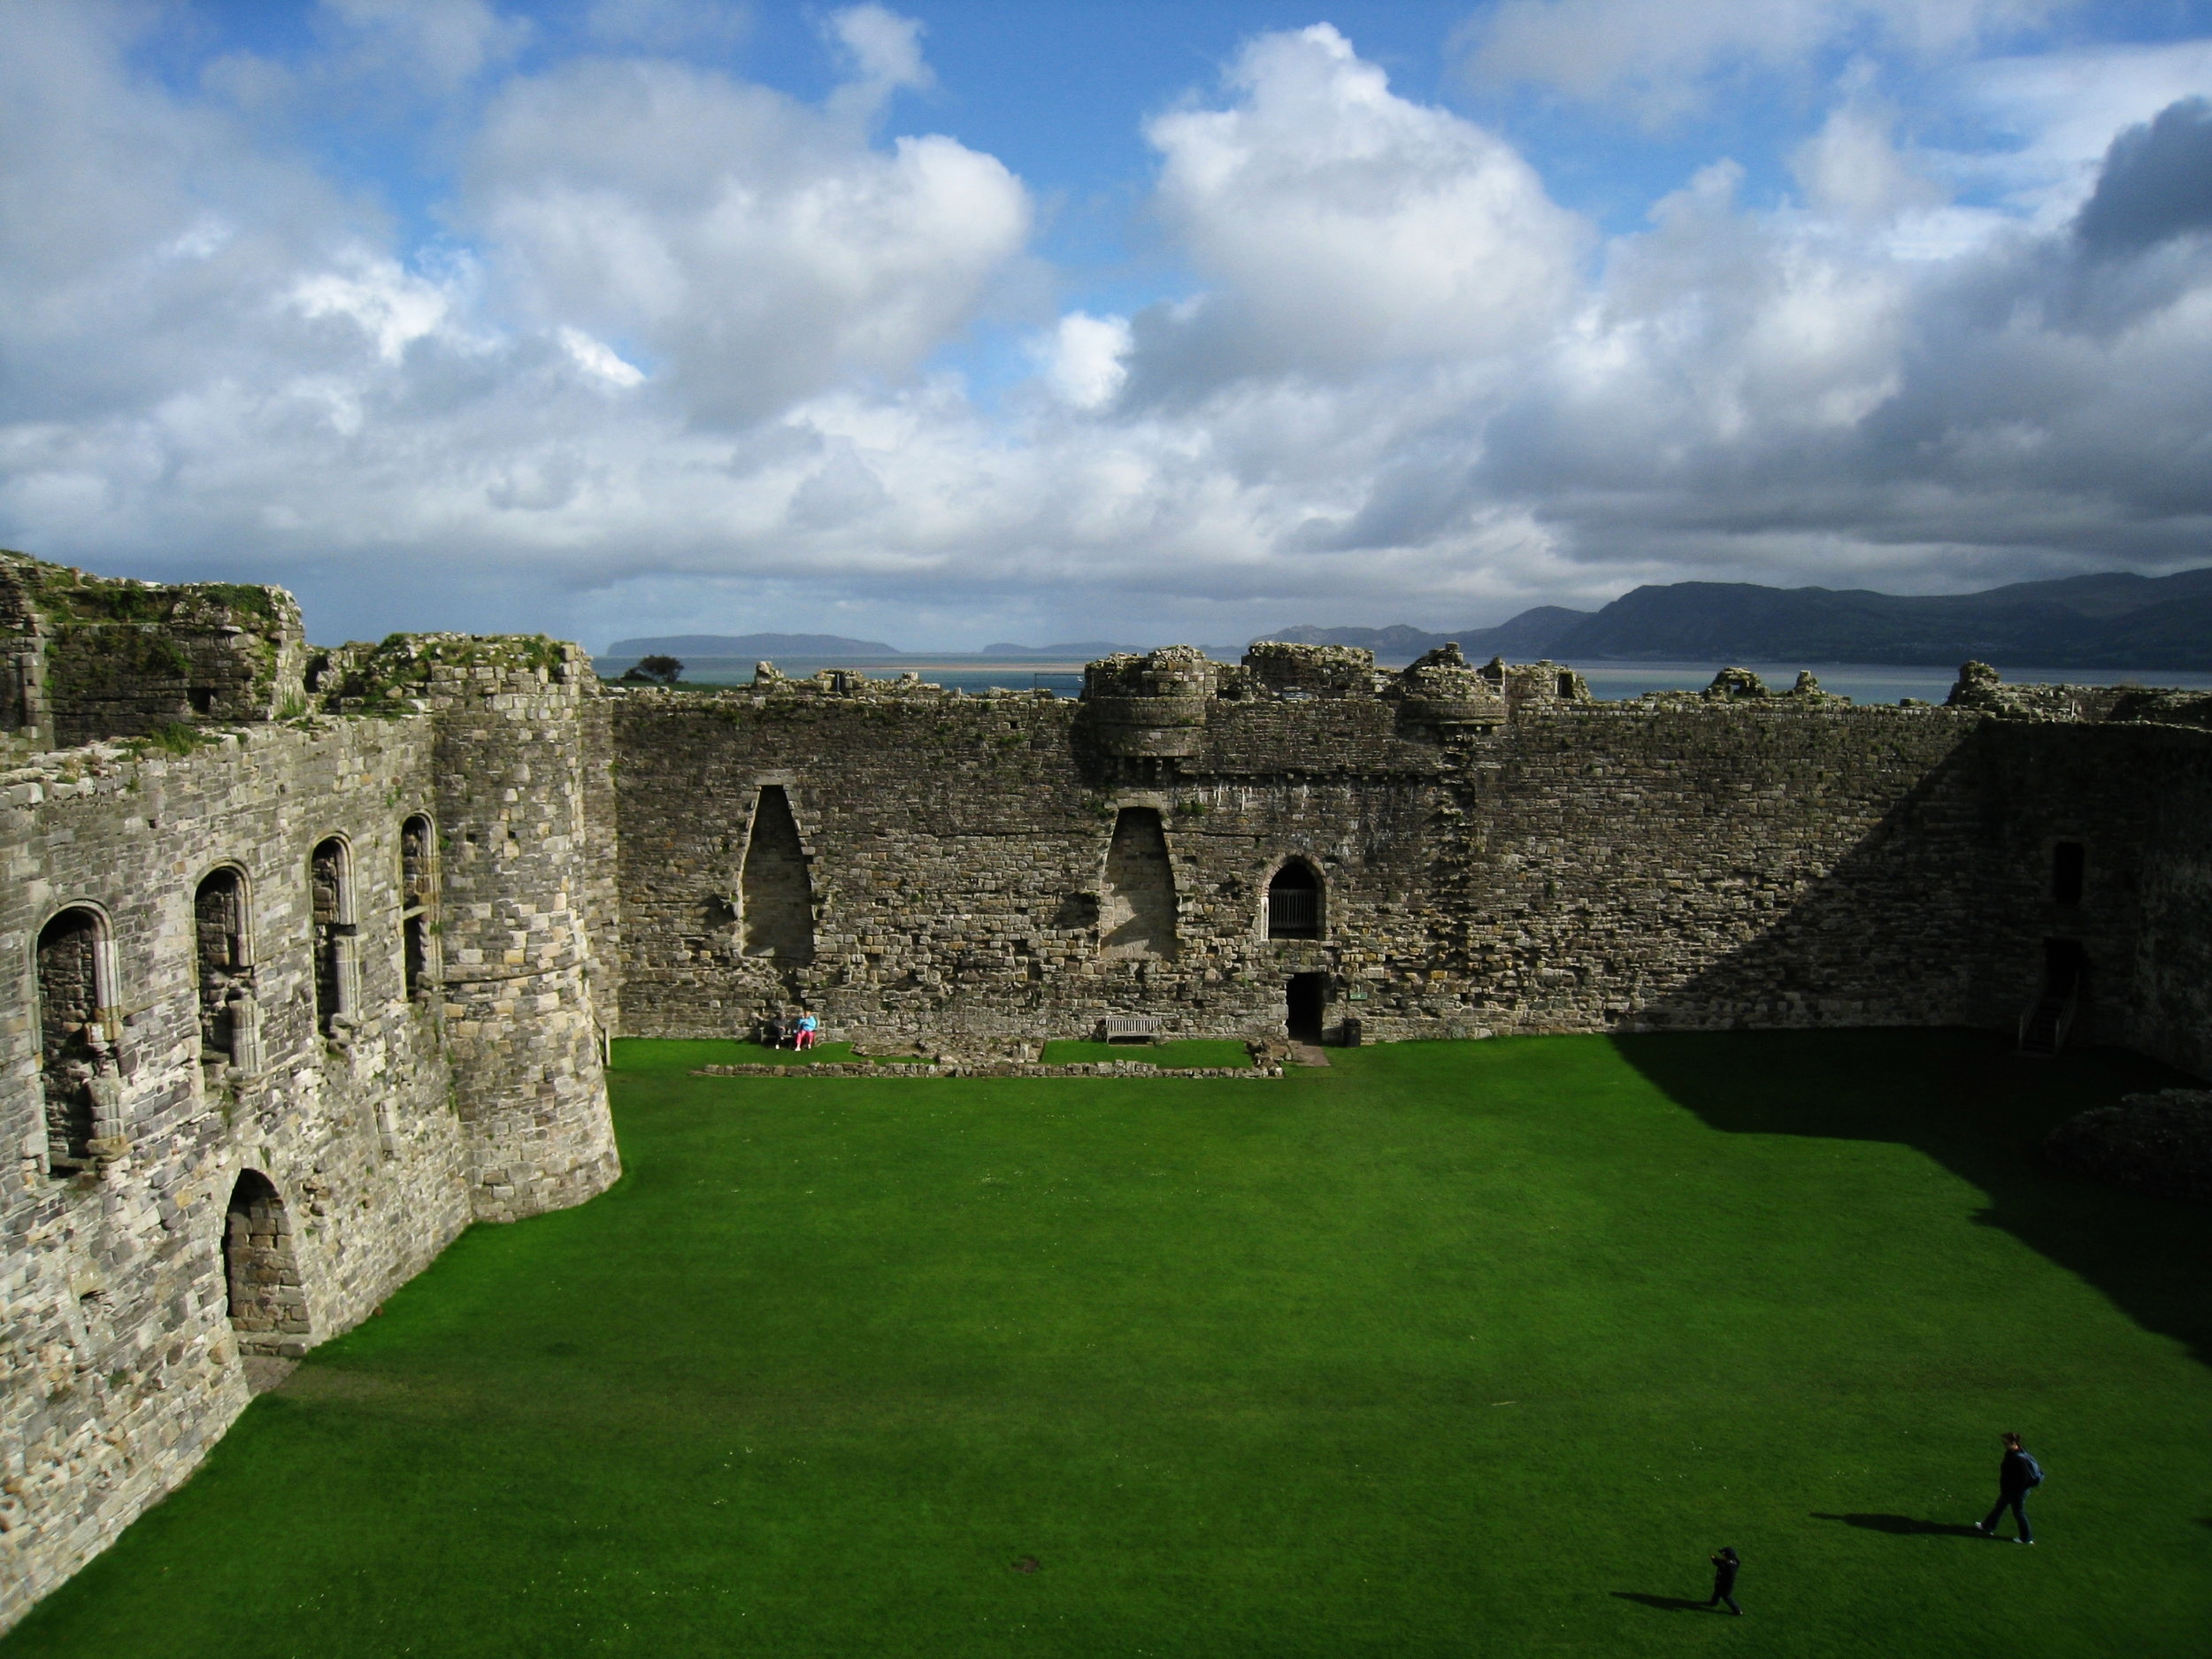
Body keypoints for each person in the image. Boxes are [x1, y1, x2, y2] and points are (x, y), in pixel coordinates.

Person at [1972, 1432, 2041, 1543]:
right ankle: (1987, 1526)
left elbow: (2023, 1479)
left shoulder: (2019, 1459)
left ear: (2014, 1443)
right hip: (2010, 1489)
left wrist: (2013, 1491)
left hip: (2016, 1491)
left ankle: (2026, 1538)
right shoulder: (2014, 1453)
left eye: (2006, 1443)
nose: (2004, 1445)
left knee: (2018, 1512)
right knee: (2000, 1506)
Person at [1706, 1548, 1742, 1616]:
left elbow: (1720, 1565)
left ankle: (1737, 1610)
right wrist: (1714, 1559)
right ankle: (1713, 1602)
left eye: (1723, 1555)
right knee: (1717, 1592)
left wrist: (1714, 1560)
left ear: (1727, 1558)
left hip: (1726, 1586)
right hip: (1720, 1583)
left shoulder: (1729, 1568)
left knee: (1726, 1597)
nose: (1722, 1556)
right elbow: (1720, 1562)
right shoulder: (1729, 1562)